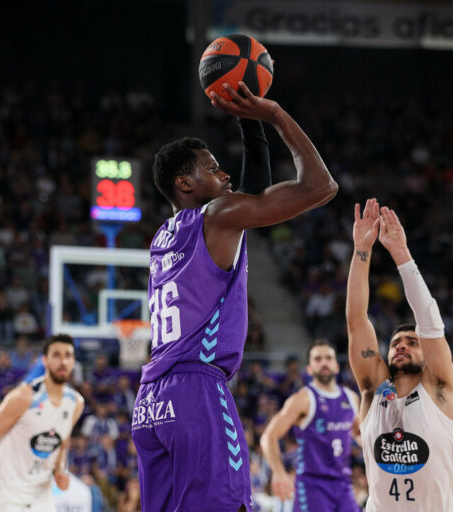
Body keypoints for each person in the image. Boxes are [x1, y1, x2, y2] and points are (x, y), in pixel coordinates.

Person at [132, 81, 337, 511]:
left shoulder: (163, 238)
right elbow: (320, 187)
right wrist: (273, 114)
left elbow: (251, 195)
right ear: (186, 183)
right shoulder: (217, 217)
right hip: (197, 391)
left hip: (150, 403)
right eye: (213, 168)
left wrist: (249, 123)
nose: (224, 174)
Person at [345, 199, 453, 511]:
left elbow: (430, 322)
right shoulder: (373, 390)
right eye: (396, 342)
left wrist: (401, 255)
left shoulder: (440, 388)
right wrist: (362, 250)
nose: (401, 345)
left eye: (412, 342)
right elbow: (357, 319)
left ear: (426, 354)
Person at [0, 334, 84, 512]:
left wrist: (59, 470)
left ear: (74, 361)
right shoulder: (24, 397)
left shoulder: (76, 403)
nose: (63, 361)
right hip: (7, 498)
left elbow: (62, 442)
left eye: (68, 356)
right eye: (56, 355)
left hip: (42, 498)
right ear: (45, 360)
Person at [260, 341, 361, 512]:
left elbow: (358, 433)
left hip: (343, 483)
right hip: (312, 484)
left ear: (336, 366)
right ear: (309, 368)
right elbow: (268, 436)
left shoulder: (351, 398)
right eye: (318, 359)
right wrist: (279, 471)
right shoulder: (303, 399)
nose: (324, 362)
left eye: (328, 358)